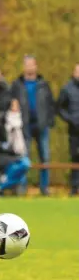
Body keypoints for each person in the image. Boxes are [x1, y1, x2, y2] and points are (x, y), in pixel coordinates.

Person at [11, 55, 55, 195]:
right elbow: (9, 101)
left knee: (45, 158)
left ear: (36, 66)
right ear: (24, 67)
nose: (29, 67)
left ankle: (44, 188)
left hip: (42, 126)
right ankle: (23, 188)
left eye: (32, 64)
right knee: (24, 158)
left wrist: (49, 121)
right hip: (24, 126)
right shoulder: (17, 85)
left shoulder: (43, 84)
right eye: (27, 64)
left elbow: (50, 104)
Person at [0, 99, 31, 196]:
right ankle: (1, 186)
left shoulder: (21, 121)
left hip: (18, 154)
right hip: (3, 155)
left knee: (20, 166)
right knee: (24, 164)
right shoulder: (0, 121)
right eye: (13, 105)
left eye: (17, 105)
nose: (15, 108)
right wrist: (2, 145)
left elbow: (25, 138)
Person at [57, 63, 79, 196]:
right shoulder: (67, 89)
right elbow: (59, 108)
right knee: (75, 157)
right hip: (74, 131)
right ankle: (74, 187)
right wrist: (71, 119)